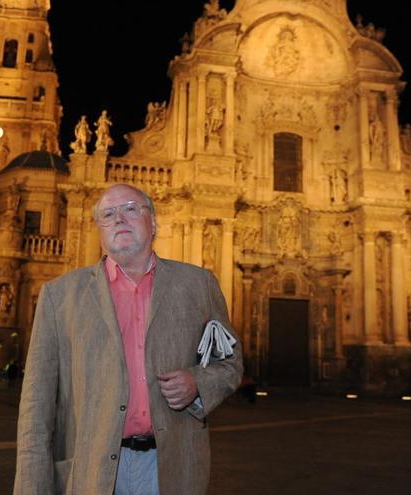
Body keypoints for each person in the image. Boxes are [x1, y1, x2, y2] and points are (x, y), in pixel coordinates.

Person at [14, 184, 243, 495]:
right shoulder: (60, 296)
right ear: (99, 230)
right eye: (108, 214)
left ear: (154, 224)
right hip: (91, 471)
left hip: (172, 469)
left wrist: (198, 383)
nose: (119, 218)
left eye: (131, 209)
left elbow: (229, 362)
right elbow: (36, 404)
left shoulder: (199, 285)